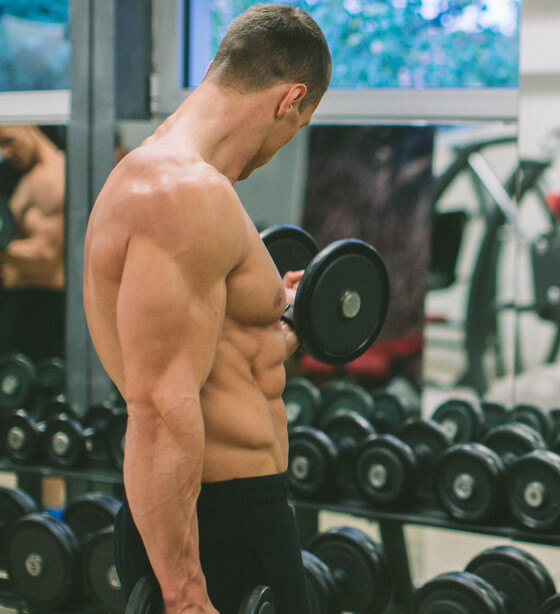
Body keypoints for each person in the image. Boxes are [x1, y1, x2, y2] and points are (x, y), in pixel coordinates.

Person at [82, 5, 330, 613]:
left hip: (238, 513)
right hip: (216, 527)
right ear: (289, 99)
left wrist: (286, 313)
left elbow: (221, 350)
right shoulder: (181, 194)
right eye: (298, 126)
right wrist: (186, 592)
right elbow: (161, 407)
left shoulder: (191, 188)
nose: (281, 146)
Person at [0, 124, 66, 361]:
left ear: (29, 127)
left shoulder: (49, 180)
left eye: (9, 141)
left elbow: (44, 256)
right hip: (26, 304)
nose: (6, 153)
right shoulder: (34, 176)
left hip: (38, 307)